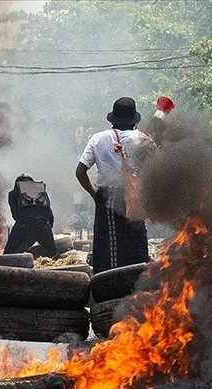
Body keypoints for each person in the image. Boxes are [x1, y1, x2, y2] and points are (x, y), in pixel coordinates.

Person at [75, 97, 157, 274]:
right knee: (137, 241)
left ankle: (108, 287)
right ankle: (138, 285)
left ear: (113, 119)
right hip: (136, 197)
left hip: (108, 198)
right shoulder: (144, 140)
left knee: (110, 246)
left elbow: (80, 172)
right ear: (134, 120)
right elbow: (156, 173)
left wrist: (94, 194)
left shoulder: (98, 139)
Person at [3, 173, 58, 257]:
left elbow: (15, 215)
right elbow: (49, 212)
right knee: (54, 254)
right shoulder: (41, 191)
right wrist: (47, 227)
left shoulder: (13, 193)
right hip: (43, 224)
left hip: (23, 224)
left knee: (7, 254)